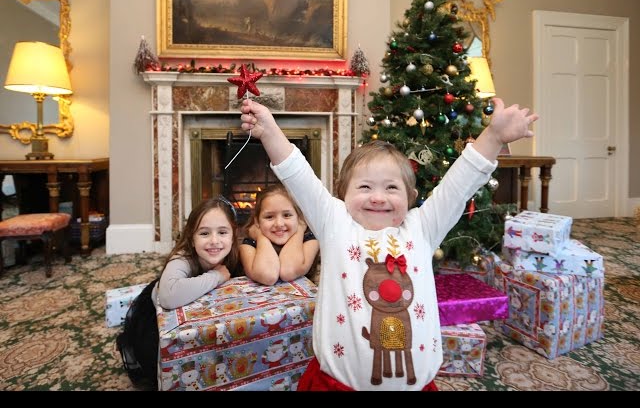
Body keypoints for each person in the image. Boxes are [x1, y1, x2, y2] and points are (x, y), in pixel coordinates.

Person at [240, 97, 538, 391]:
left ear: (410, 197)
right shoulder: (335, 223)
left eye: (392, 187)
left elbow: (460, 184)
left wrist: (494, 136)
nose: (378, 197)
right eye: (365, 187)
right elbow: (299, 176)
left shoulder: (422, 227)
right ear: (343, 194)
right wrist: (269, 131)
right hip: (336, 385)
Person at [117, 196, 240, 390]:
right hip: (156, 319)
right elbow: (169, 296)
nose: (214, 241)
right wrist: (217, 276)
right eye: (204, 233)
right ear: (192, 238)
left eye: (223, 232)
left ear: (233, 235)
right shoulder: (183, 258)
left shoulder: (235, 253)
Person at [239, 183, 320, 286]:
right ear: (257, 222)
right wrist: (260, 237)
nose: (279, 224)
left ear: (299, 218)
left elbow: (288, 271)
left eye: (287, 215)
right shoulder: (249, 245)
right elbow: (268, 276)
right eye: (269, 217)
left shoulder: (310, 240)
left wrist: (299, 230)